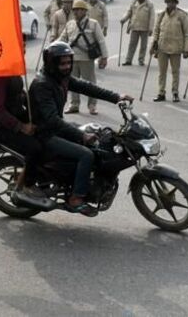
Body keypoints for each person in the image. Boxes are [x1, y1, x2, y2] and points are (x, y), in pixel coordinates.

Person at [28, 42, 132, 215]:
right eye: (62, 63)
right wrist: (80, 135)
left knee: (98, 136)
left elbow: (87, 87)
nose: (67, 66)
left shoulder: (60, 77)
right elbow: (52, 120)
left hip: (56, 128)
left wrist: (117, 97)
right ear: (52, 63)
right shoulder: (42, 84)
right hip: (45, 134)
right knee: (86, 154)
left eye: (69, 62)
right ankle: (76, 198)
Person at [0, 45, 41, 200]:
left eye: (24, 47)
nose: (23, 51)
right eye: (20, 47)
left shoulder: (13, 69)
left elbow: (17, 94)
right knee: (35, 148)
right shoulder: (1, 74)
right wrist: (21, 127)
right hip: (4, 126)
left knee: (45, 131)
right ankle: (26, 186)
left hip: (16, 115)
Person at [58, 0, 108, 114]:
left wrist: (104, 57)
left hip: (87, 59)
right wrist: (53, 49)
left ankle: (92, 105)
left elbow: (101, 41)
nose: (76, 12)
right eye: (75, 10)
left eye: (80, 10)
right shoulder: (70, 24)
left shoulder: (93, 23)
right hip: (71, 59)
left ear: (85, 11)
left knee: (90, 83)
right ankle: (74, 104)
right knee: (72, 84)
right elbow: (62, 39)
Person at [150, 0, 188, 103]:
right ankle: (161, 92)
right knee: (162, 72)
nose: (170, 3)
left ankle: (175, 93)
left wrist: (186, 49)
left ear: (176, 3)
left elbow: (187, 34)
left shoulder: (182, 16)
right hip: (162, 47)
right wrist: (153, 44)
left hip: (176, 48)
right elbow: (156, 31)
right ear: (166, 2)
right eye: (169, 1)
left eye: (173, 2)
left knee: (175, 72)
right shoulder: (161, 15)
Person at [120, 0, 155, 66]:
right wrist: (124, 19)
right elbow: (129, 13)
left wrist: (150, 28)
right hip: (134, 27)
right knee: (132, 44)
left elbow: (152, 17)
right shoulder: (134, 2)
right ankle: (128, 60)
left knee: (143, 46)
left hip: (144, 28)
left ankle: (141, 60)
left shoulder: (149, 4)